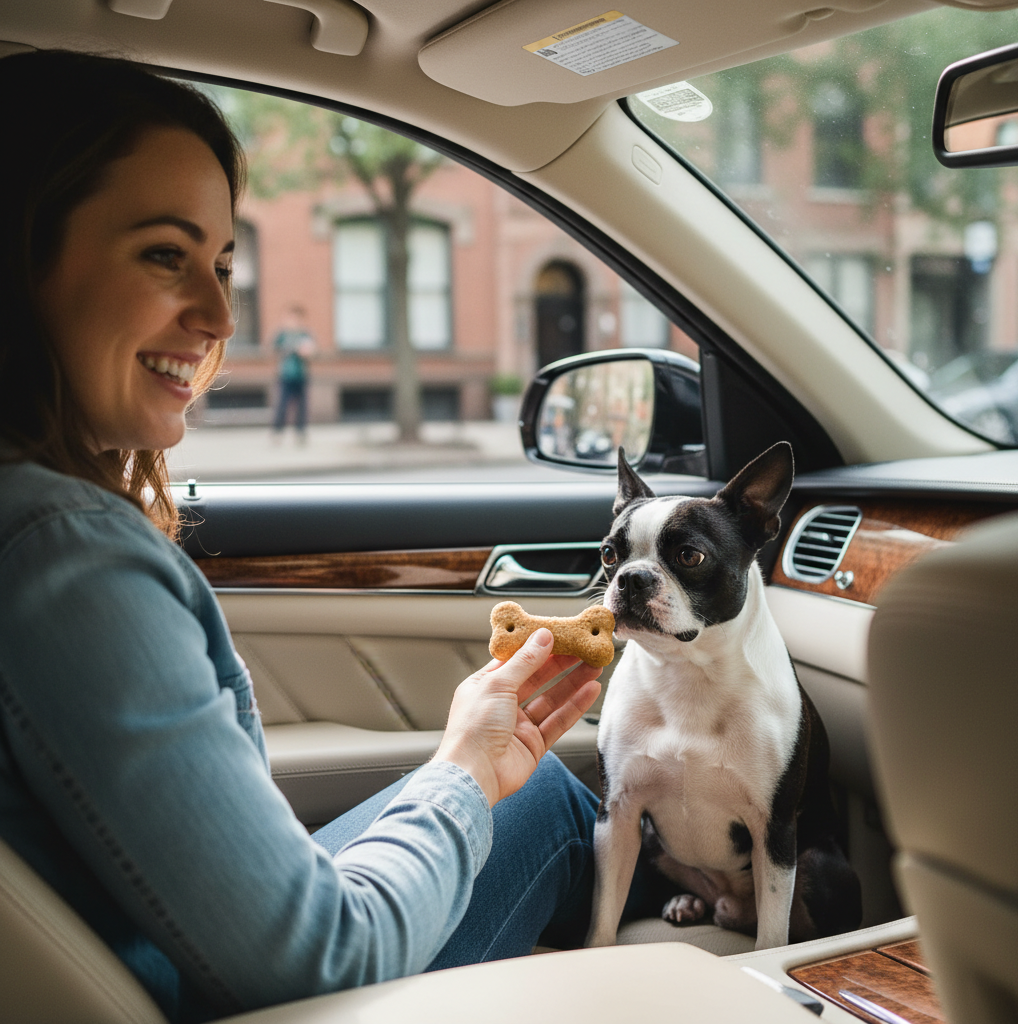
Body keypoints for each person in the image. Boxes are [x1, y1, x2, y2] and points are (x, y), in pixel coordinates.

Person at [0, 50, 665, 1024]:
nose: (221, 315)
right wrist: (466, 773)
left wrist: (457, 767)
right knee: (552, 806)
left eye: (224, 263)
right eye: (162, 254)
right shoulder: (62, 558)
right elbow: (320, 963)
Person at [272, 305, 315, 438]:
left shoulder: (305, 335)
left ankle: (300, 431)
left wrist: (307, 352)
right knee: (283, 404)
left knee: (302, 406)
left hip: (301, 374)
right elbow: (274, 348)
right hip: (286, 374)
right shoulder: (282, 335)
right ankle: (278, 431)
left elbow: (312, 351)